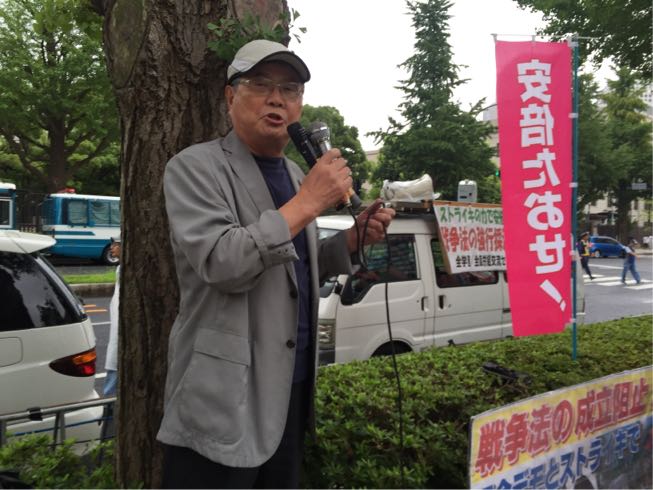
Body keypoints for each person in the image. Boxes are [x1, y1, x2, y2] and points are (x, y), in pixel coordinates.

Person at [157, 39, 395, 489]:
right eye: (260, 84)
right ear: (230, 96)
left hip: (291, 385)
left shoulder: (294, 175)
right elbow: (223, 261)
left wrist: (351, 239)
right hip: (224, 395)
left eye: (290, 89)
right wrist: (308, 203)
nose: (276, 99)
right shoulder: (194, 167)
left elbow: (294, 269)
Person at [103, 236, 121, 397]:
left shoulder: (122, 270)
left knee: (114, 366)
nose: (111, 248)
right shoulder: (120, 268)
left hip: (119, 326)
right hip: (116, 323)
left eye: (115, 245)